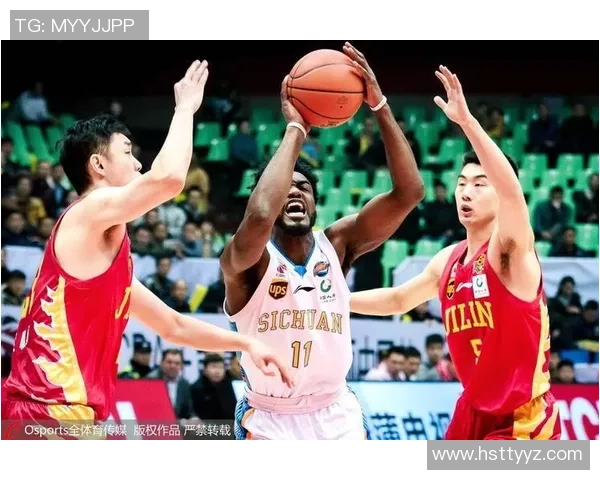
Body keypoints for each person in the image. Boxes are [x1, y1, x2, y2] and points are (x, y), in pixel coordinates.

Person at [2, 60, 291, 439]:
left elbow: (173, 326)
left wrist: (246, 342)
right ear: (98, 164)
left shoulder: (103, 257)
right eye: (128, 152)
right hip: (46, 414)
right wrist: (184, 109)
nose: (138, 163)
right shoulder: (87, 212)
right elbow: (169, 179)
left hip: (60, 417)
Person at [220, 42, 424, 440]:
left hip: (336, 413)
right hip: (270, 417)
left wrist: (380, 105)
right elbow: (259, 216)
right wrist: (297, 128)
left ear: (316, 202)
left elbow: (409, 192)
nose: (295, 192)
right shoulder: (246, 260)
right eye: (285, 188)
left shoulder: (338, 244)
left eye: (304, 187)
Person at [350, 65, 561, 441]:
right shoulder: (447, 261)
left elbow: (512, 193)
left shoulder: (510, 251)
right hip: (472, 410)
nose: (466, 192)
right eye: (462, 183)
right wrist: (333, 301)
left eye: (480, 184)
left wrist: (467, 122)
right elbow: (398, 299)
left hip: (523, 417)